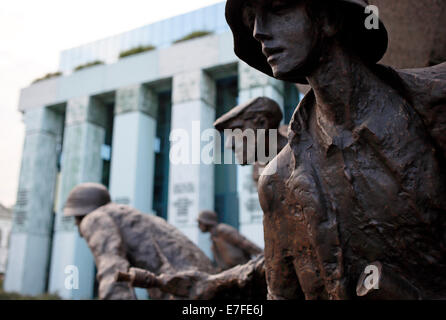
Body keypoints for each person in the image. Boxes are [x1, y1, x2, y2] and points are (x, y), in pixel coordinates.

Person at [225, 0, 446, 299]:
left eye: (278, 8)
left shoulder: (437, 102)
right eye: (252, 19)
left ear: (329, 17)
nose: (258, 32)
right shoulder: (277, 183)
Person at [64, 182, 215, 299]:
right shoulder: (134, 216)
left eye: (76, 221)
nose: (79, 230)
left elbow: (113, 273)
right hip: (205, 286)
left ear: (80, 215)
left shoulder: (95, 219)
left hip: (183, 290)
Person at [214, 96, 288, 183]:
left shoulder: (304, 160)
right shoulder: (267, 174)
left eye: (236, 131)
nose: (229, 144)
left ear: (262, 124)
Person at [197, 210, 262, 270]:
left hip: (244, 268)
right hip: (233, 272)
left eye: (200, 222)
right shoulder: (214, 239)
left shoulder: (222, 230)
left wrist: (264, 256)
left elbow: (245, 243)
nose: (198, 225)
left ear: (207, 222)